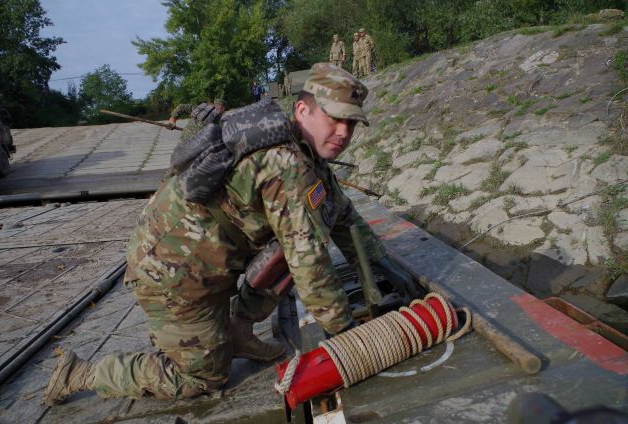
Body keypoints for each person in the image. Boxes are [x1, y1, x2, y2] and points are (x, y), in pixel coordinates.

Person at [44, 63, 423, 405]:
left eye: (351, 123)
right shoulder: (285, 162)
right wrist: (347, 334)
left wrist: (384, 265)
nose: (343, 132)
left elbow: (341, 214)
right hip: (172, 272)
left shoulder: (304, 152)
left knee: (298, 238)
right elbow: (309, 263)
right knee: (203, 379)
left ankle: (238, 330)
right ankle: (82, 374)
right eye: (334, 118)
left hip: (210, 259)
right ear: (302, 110)